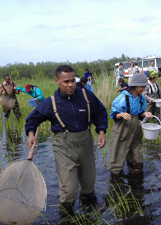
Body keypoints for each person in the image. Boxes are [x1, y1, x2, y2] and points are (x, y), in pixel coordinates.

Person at [25, 65, 108, 213]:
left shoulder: (86, 96)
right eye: (66, 82)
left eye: (72, 81)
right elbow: (32, 119)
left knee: (89, 185)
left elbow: (100, 112)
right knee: (69, 190)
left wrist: (101, 131)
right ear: (57, 81)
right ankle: (66, 216)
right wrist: (31, 134)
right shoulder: (51, 103)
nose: (70, 85)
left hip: (86, 144)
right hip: (63, 148)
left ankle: (89, 215)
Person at [109, 73, 152, 176]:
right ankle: (115, 174)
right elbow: (113, 114)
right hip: (122, 127)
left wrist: (144, 114)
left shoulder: (141, 99)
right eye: (142, 86)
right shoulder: (123, 97)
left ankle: (135, 170)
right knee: (118, 149)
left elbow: (140, 115)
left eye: (144, 86)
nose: (143, 89)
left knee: (136, 148)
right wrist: (121, 114)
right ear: (135, 85)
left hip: (136, 126)